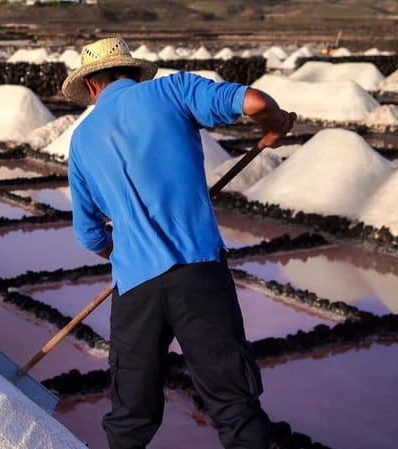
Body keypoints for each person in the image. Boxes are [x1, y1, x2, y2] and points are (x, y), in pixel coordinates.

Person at [62, 37, 296, 449]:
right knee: (234, 406)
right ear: (133, 71)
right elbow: (256, 102)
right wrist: (274, 126)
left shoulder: (81, 141)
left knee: (129, 418)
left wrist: (125, 255)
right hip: (199, 276)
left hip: (135, 290)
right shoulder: (171, 90)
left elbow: (89, 234)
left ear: (92, 87)